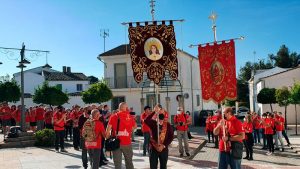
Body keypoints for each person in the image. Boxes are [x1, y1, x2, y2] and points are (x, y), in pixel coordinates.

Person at [105, 102, 137, 169]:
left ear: (119, 108)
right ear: (126, 108)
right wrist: (129, 131)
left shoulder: (114, 116)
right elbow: (135, 127)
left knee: (117, 164)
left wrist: (107, 142)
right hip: (127, 143)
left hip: (116, 143)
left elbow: (108, 130)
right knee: (129, 162)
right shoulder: (130, 117)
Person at [145, 104, 174, 169]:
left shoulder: (168, 125)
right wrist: (154, 111)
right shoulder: (153, 123)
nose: (161, 118)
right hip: (154, 148)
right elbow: (146, 121)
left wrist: (164, 145)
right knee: (153, 166)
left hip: (163, 148)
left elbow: (171, 137)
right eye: (159, 115)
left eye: (162, 115)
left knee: (163, 166)